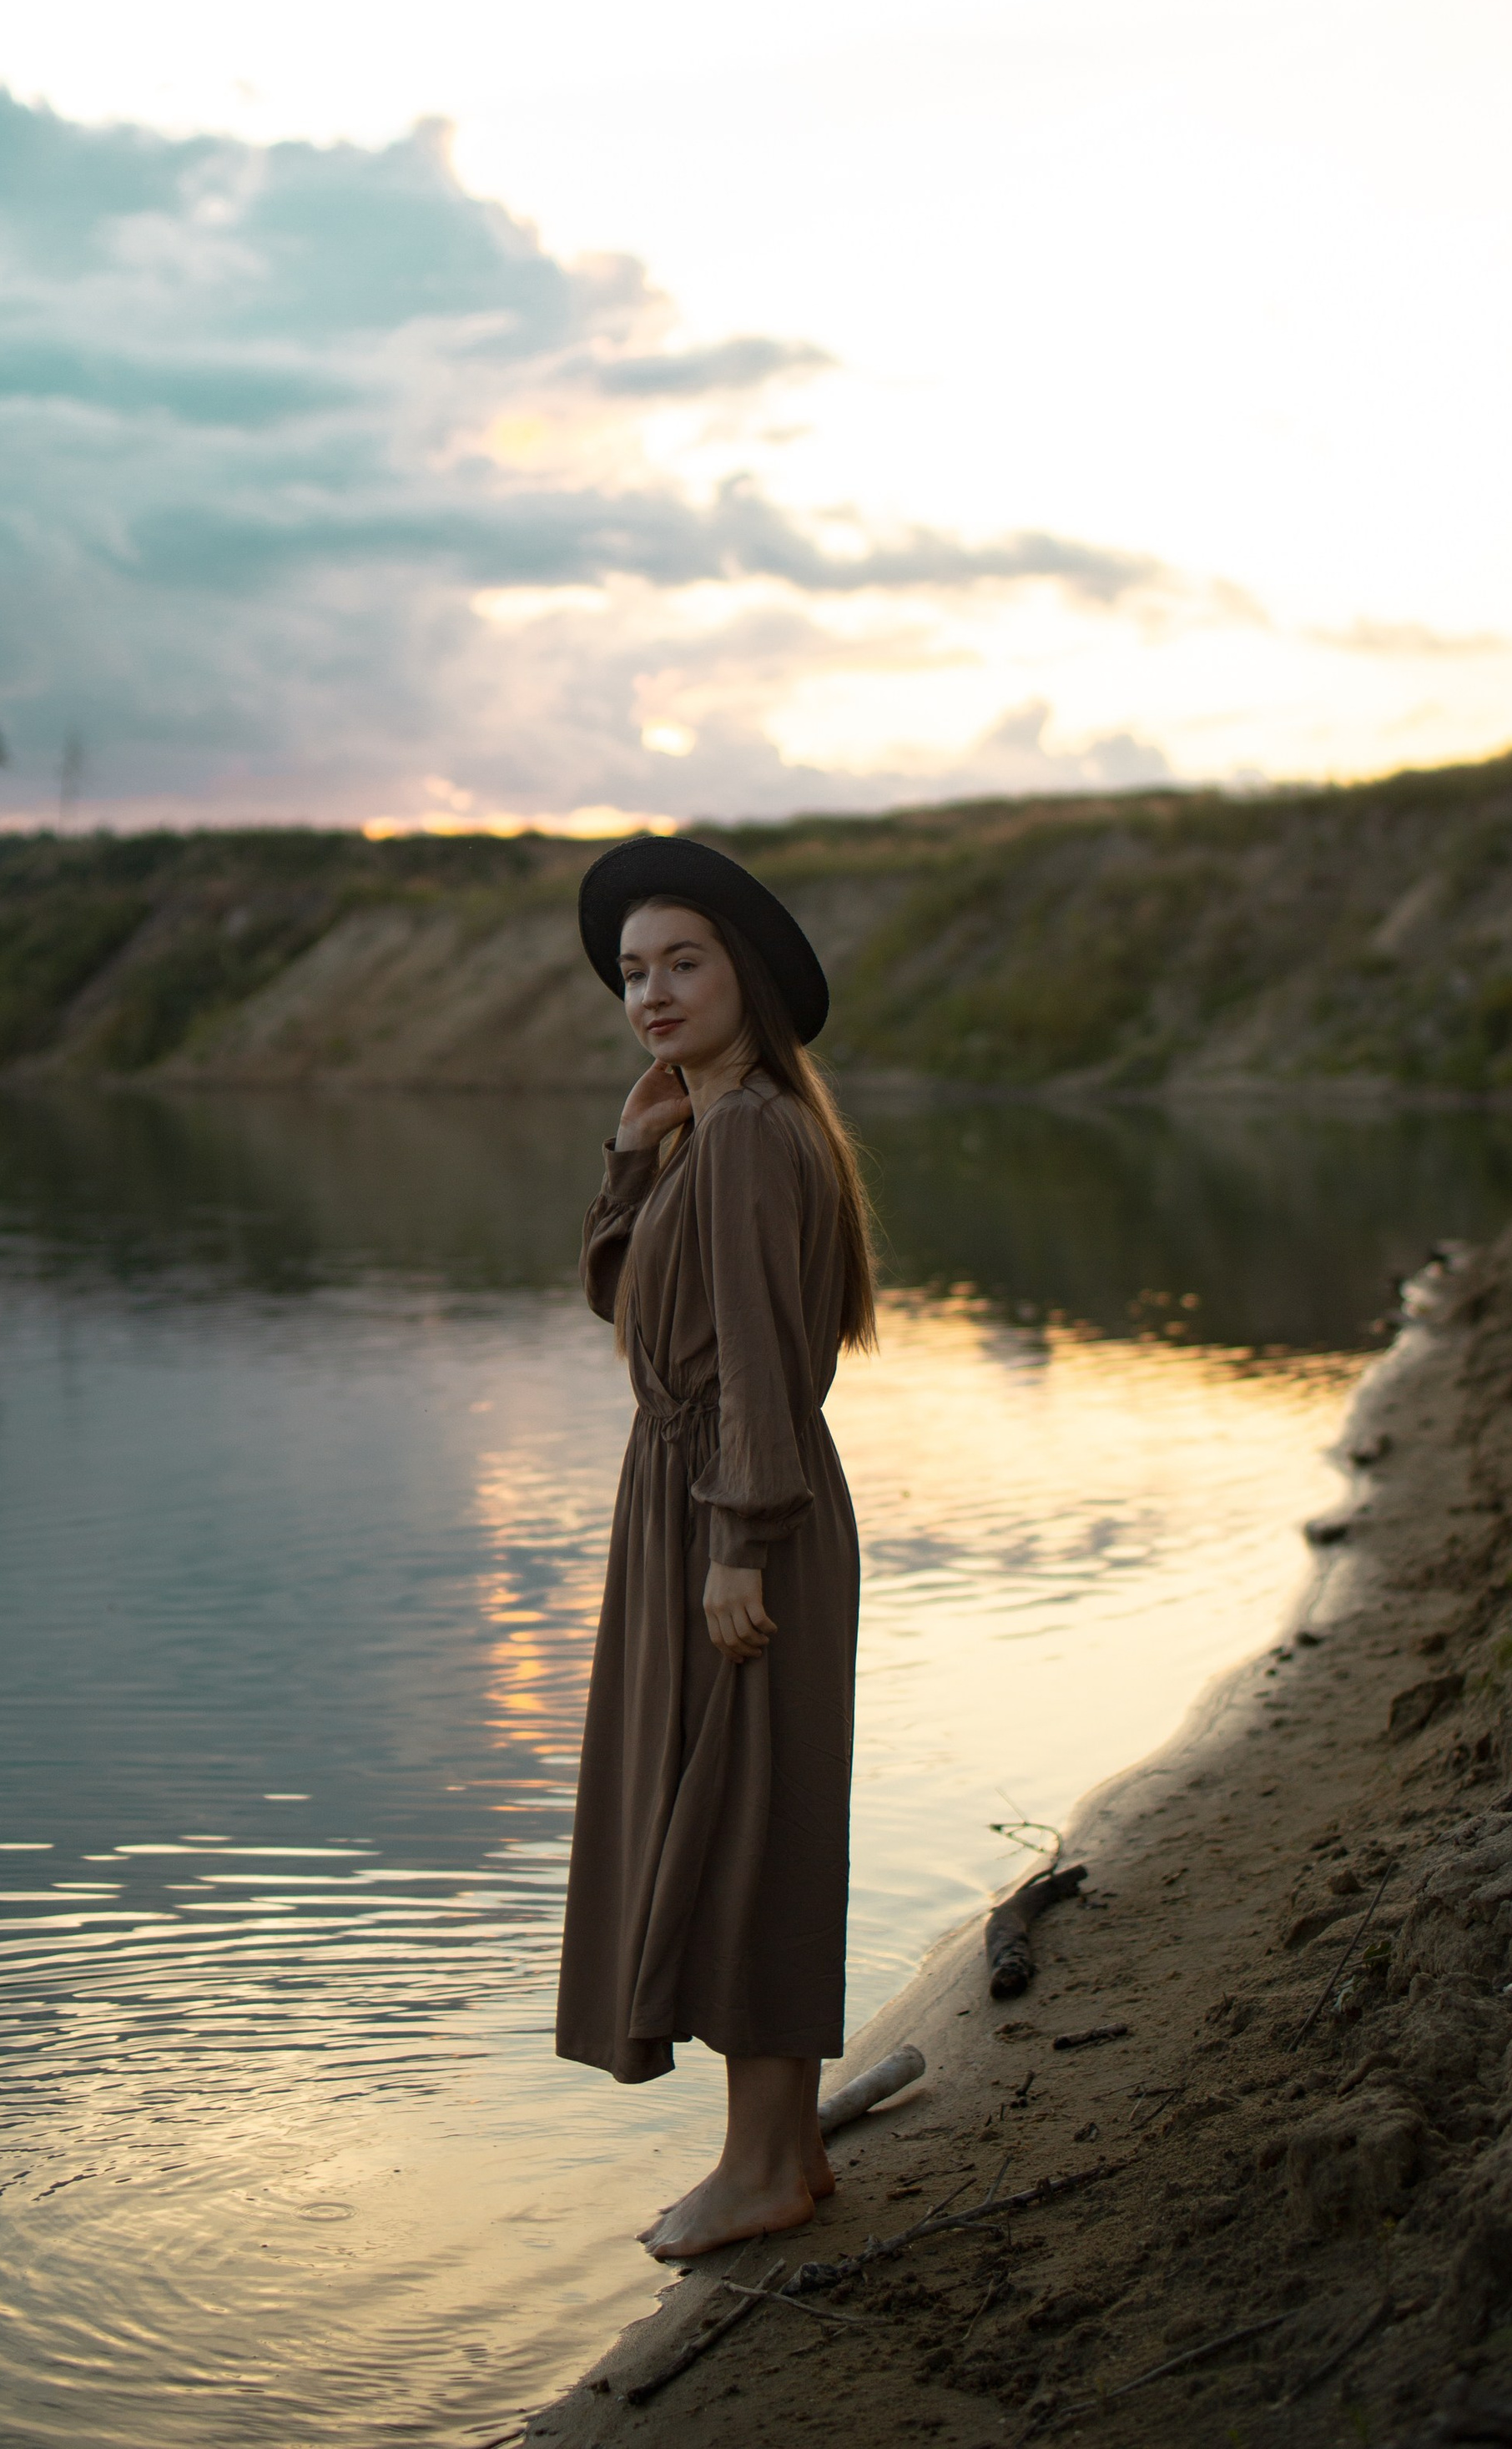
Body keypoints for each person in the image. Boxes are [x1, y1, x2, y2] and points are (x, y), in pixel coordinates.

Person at [556, 835, 877, 2260]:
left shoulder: (749, 1131)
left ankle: (756, 2171)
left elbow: (750, 1358)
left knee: (745, 1824)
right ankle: (789, 2150)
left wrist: (738, 1543)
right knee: (756, 1808)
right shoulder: (717, 1126)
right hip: (708, 1492)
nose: (652, 993)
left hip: (736, 1504)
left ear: (743, 971)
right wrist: (631, 1158)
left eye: (682, 961)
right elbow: (634, 1306)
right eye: (632, 972)